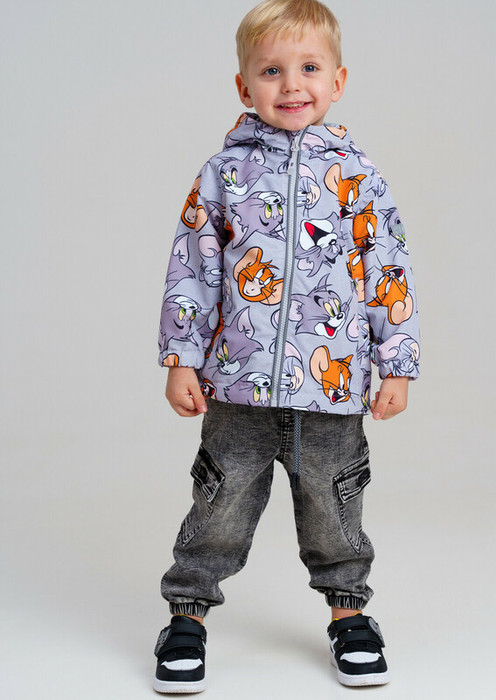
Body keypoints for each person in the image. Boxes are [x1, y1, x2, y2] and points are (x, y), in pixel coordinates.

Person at [153, 0, 420, 693]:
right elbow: (193, 269)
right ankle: (186, 616)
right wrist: (182, 358)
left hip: (330, 392)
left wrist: (395, 364)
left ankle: (349, 616)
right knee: (218, 505)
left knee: (334, 509)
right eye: (271, 71)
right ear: (244, 86)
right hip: (236, 387)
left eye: (308, 68)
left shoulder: (358, 176)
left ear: (337, 81)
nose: (291, 84)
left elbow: (387, 271)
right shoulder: (224, 174)